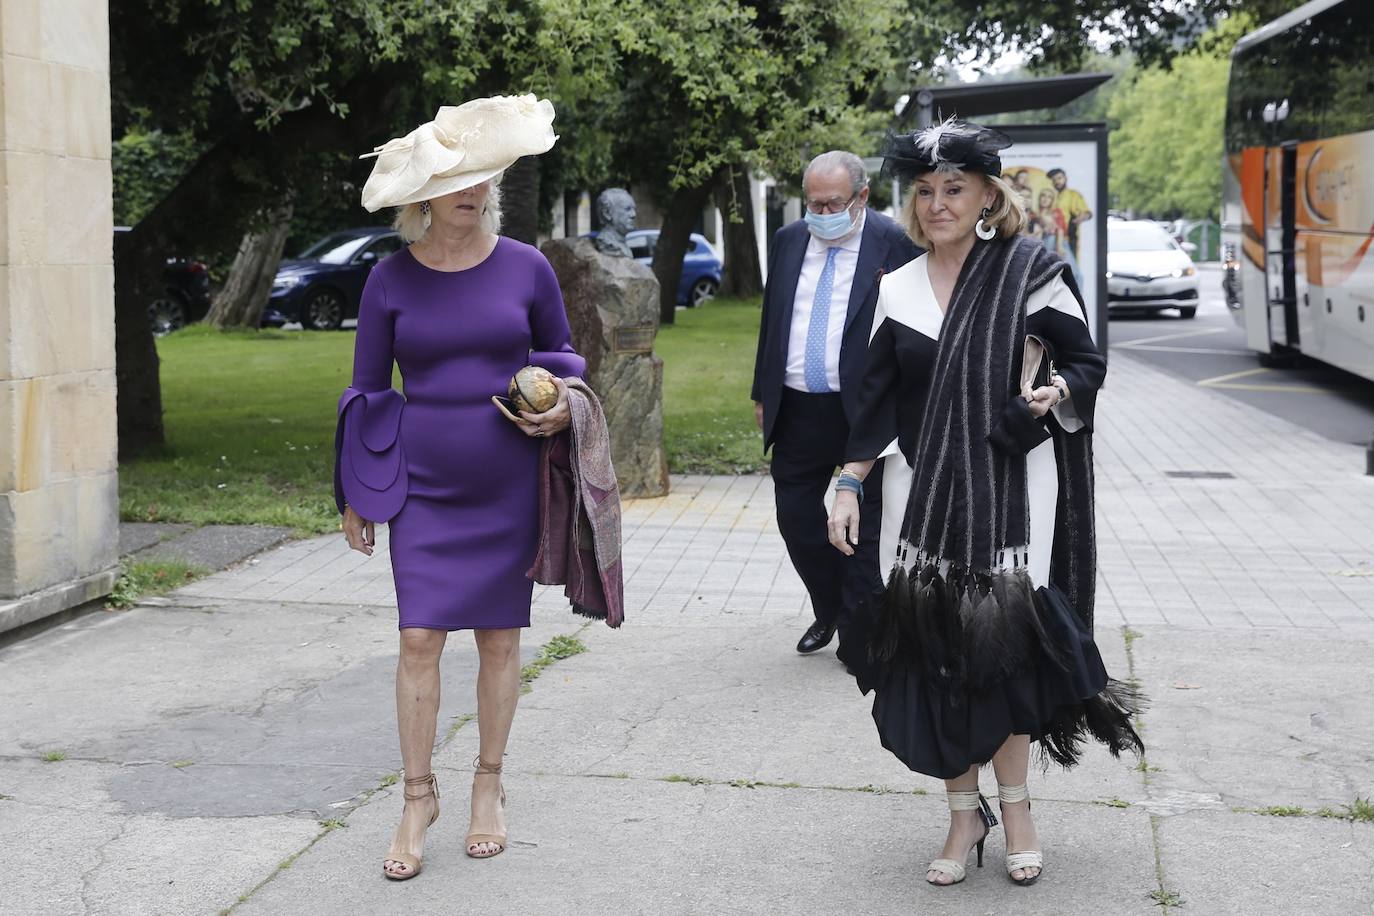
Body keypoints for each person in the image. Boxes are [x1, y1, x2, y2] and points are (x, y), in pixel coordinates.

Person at [828, 119, 1142, 889]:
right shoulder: (894, 288)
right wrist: (847, 482)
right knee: (937, 651)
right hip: (919, 497)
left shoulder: (1030, 271)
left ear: (987, 197)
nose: (938, 203)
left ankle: (1018, 806)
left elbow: (1086, 361)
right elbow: (871, 403)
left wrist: (1055, 389)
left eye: (954, 189)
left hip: (1013, 493)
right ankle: (963, 815)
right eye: (926, 191)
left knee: (1004, 652)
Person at [337, 95, 585, 880]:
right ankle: (417, 796)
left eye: (482, 175)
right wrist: (356, 491)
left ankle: (487, 785)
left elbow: (565, 355)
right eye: (455, 179)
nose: (472, 190)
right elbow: (368, 390)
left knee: (500, 638)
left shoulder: (527, 266)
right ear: (422, 197)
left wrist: (559, 405)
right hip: (424, 485)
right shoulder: (388, 280)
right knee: (418, 638)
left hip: (508, 478)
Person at [751, 151, 921, 655]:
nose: (822, 215)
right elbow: (773, 320)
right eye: (813, 204)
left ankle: (859, 627)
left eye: (833, 204)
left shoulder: (898, 243)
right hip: (800, 409)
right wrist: (764, 391)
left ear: (862, 197)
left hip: (866, 411)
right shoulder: (787, 242)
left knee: (863, 529)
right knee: (797, 518)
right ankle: (830, 606)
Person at [1047, 168, 1092, 259]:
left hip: (1069, 238)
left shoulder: (1073, 195)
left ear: (1065, 178)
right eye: (1054, 180)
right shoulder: (1051, 196)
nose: (1057, 182)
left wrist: (1081, 217)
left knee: (1071, 267)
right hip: (1052, 238)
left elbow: (1087, 213)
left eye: (1059, 178)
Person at [594, 187, 637, 258]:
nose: (634, 214)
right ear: (607, 213)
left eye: (633, 209)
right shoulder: (608, 245)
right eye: (627, 209)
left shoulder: (621, 244)